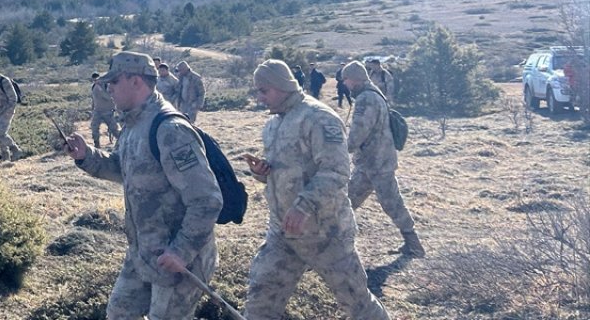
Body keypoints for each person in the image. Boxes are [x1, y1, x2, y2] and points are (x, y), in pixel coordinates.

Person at [64, 52, 222, 320]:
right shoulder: (132, 123)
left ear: (136, 81)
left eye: (114, 81)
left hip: (178, 260)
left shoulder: (169, 129)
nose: (108, 88)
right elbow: (122, 168)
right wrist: (86, 156)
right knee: (118, 313)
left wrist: (181, 251)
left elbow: (207, 200)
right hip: (144, 251)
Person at [240, 60, 390, 320]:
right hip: (283, 232)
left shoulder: (319, 118)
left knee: (357, 303)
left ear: (281, 86)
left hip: (326, 234)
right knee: (260, 301)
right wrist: (265, 172)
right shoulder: (273, 125)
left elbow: (336, 171)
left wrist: (304, 206)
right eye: (257, 91)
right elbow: (291, 172)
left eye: (264, 91)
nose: (260, 98)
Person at [341, 61, 424, 257]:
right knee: (347, 201)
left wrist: (342, 149)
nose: (345, 84)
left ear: (354, 79)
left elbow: (359, 132)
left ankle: (414, 244)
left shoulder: (366, 99)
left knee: (391, 203)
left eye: (346, 80)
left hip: (376, 163)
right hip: (372, 162)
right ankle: (337, 244)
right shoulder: (373, 93)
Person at [90, 71, 120, 149]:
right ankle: (97, 144)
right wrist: (92, 109)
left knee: (114, 129)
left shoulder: (106, 86)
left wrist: (100, 90)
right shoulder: (93, 86)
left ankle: (122, 141)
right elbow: (94, 98)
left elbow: (108, 97)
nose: (95, 81)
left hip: (107, 111)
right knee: (94, 127)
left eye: (97, 79)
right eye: (94, 80)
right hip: (97, 111)